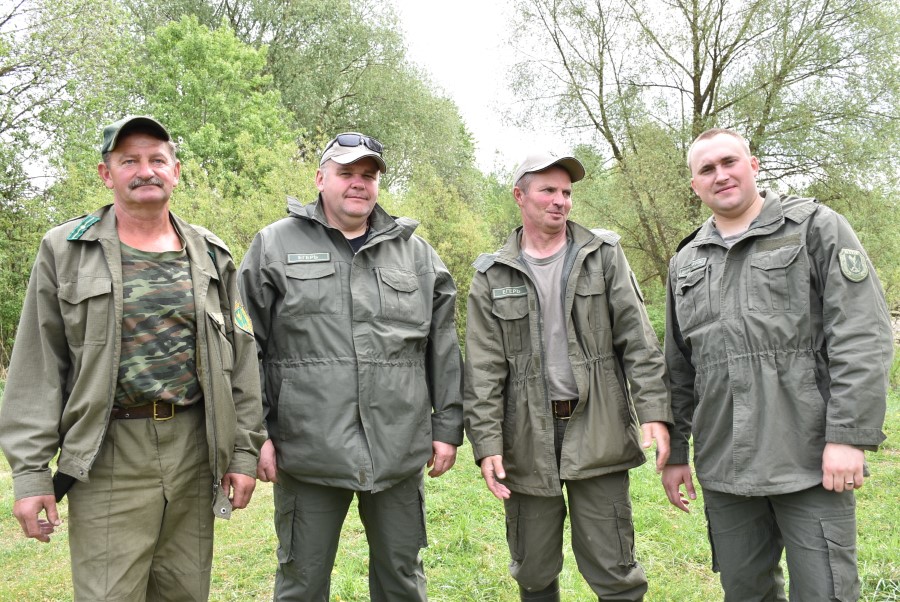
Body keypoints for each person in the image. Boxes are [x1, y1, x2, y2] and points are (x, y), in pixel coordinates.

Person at [0, 115, 265, 600]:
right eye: (129, 161)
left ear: (175, 171)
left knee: (185, 591)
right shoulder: (65, 249)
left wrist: (244, 452)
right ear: (107, 174)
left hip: (194, 449)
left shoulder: (212, 254)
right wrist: (31, 473)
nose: (146, 171)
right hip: (108, 452)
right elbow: (38, 367)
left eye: (157, 160)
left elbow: (243, 358)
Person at [662, 128, 892, 601]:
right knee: (745, 592)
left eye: (729, 162)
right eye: (707, 169)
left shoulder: (816, 228)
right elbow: (679, 368)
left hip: (809, 457)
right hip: (724, 461)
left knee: (826, 592)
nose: (720, 175)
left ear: (753, 165)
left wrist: (848, 436)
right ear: (694, 185)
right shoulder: (685, 261)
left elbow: (861, 333)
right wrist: (678, 453)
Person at [238, 132, 463, 601]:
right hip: (307, 449)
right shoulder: (273, 246)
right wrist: (255, 435)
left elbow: (443, 347)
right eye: (346, 173)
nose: (359, 183)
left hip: (398, 447)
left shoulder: (417, 255)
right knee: (301, 582)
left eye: (369, 175)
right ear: (320, 179)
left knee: (402, 578)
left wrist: (447, 427)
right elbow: (244, 347)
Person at [464, 151, 672, 601]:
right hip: (526, 437)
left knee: (615, 568)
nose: (560, 200)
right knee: (533, 570)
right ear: (520, 196)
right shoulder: (491, 274)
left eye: (566, 192)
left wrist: (654, 410)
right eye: (548, 191)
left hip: (599, 426)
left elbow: (638, 341)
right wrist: (486, 444)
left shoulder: (603, 255)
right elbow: (483, 370)